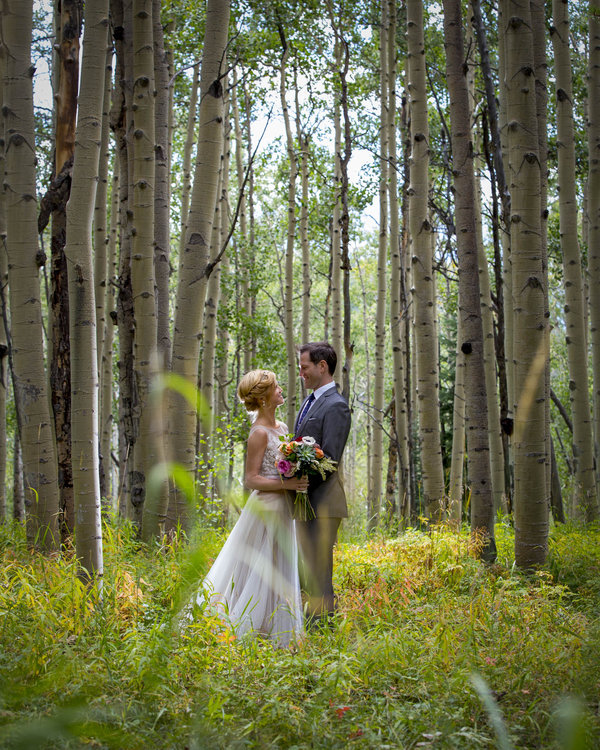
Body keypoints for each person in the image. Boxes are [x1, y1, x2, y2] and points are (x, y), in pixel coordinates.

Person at [187, 370, 307, 647]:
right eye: (276, 387)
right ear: (264, 398)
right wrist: (287, 485)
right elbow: (252, 478)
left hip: (283, 509)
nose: (280, 390)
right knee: (257, 566)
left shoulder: (283, 429)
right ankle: (243, 627)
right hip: (265, 507)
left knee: (279, 565)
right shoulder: (258, 434)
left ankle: (276, 627)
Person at [295, 342, 351, 626]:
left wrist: (296, 478)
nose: (301, 373)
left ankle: (323, 627)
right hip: (306, 501)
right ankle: (310, 622)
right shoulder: (309, 402)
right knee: (306, 568)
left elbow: (330, 459)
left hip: (324, 502)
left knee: (319, 569)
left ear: (322, 366)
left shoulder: (337, 406)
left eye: (304, 367)